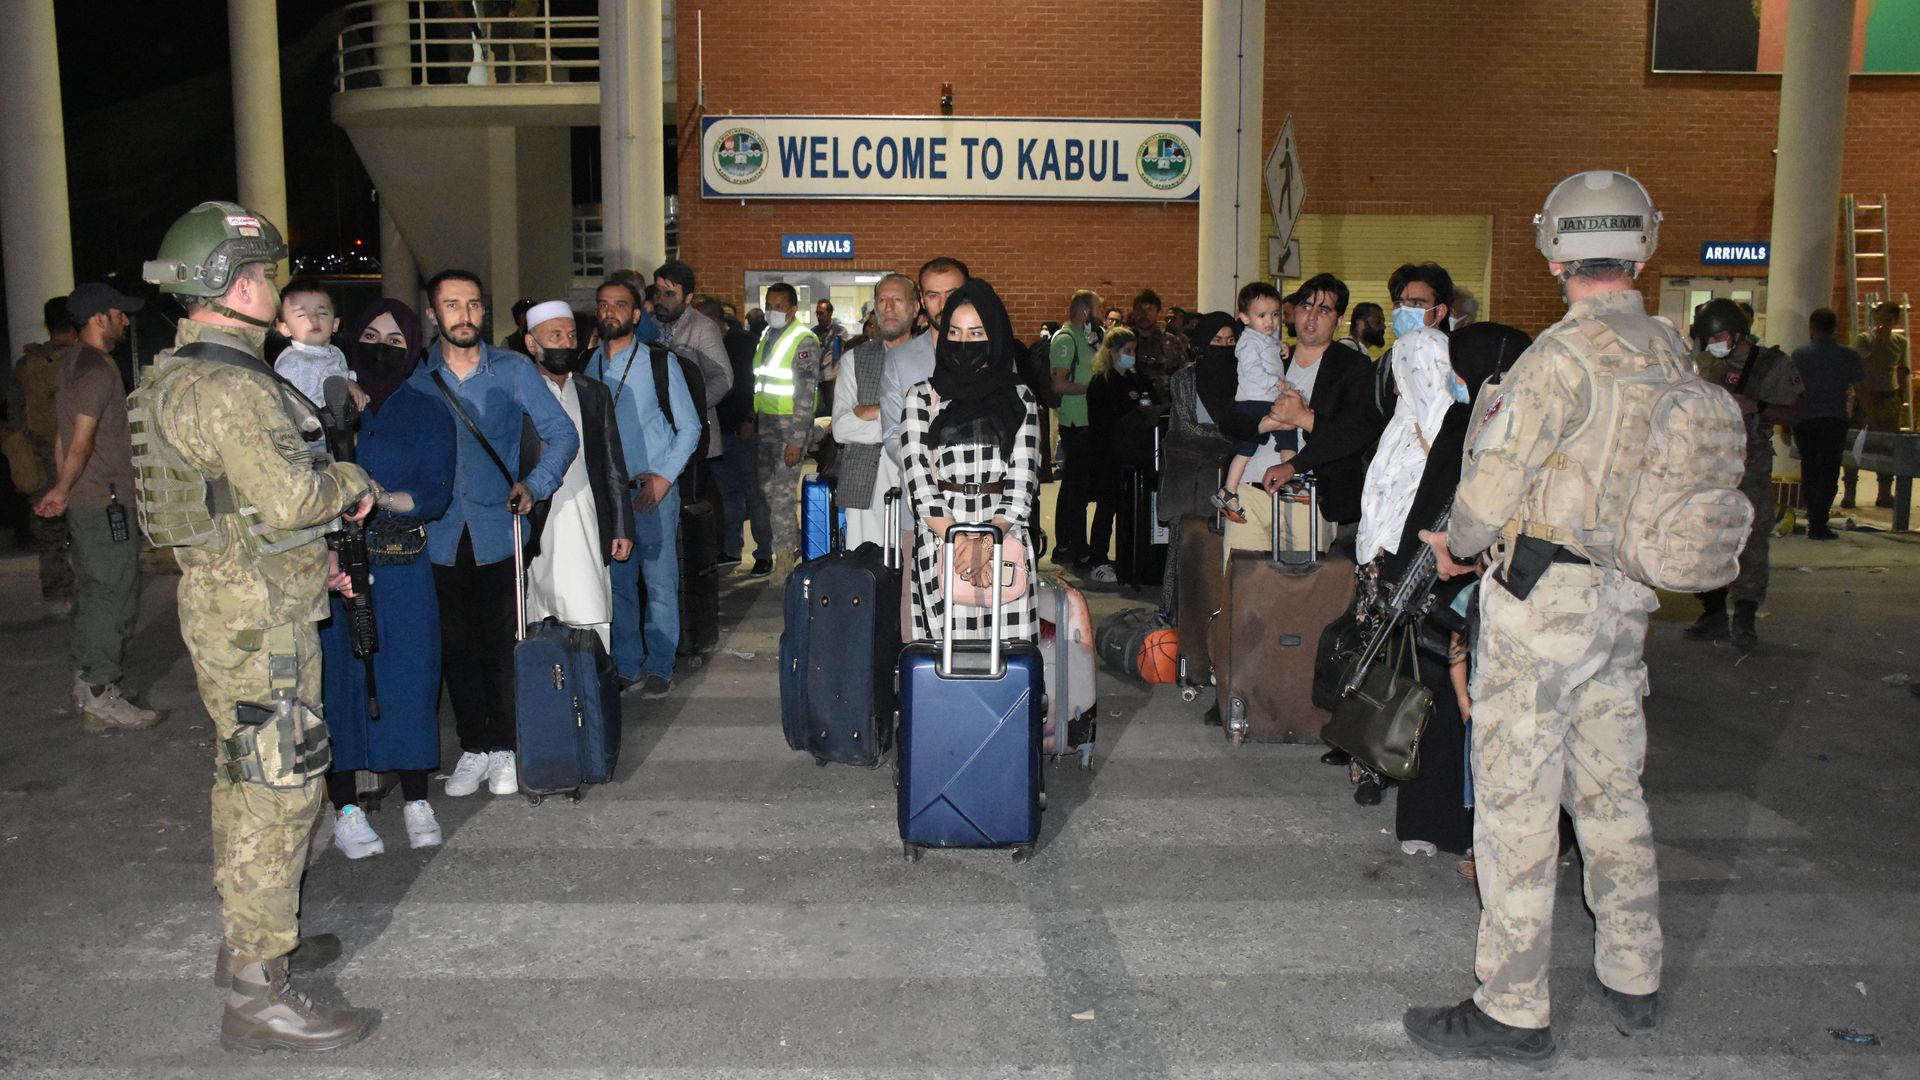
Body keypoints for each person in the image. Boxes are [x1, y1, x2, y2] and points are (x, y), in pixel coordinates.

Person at [1406, 171, 1675, 1067]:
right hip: (1626, 599)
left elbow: (1489, 492)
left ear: (1555, 255)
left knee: (1517, 804)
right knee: (1612, 789)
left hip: (1543, 603)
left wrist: (1455, 543)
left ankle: (1514, 1008)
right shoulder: (1670, 351)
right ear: (1643, 250)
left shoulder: (1558, 359)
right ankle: (1633, 973)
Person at [134, 202, 376, 1050]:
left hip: (236, 601)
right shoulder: (233, 387)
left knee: (245, 776)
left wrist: (311, 563)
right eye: (266, 274)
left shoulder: (178, 373)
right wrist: (352, 481)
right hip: (259, 622)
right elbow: (293, 496)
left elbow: (237, 510)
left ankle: (249, 941)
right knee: (281, 787)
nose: (275, 287)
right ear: (235, 285)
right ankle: (258, 991)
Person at [411, 269, 579, 796]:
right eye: (452, 305)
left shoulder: (513, 369)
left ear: (484, 311)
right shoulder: (417, 376)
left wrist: (535, 485)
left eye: (474, 304)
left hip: (498, 530)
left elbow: (562, 434)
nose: (464, 315)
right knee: (456, 648)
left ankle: (505, 745)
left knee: (503, 643)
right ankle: (474, 746)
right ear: (433, 314)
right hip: (438, 533)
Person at [320, 299, 456, 858]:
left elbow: (435, 492)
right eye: (371, 335)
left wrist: (381, 497)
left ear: (413, 348)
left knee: (411, 677)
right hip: (334, 564)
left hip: (401, 562)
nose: (382, 347)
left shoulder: (427, 411)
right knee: (338, 684)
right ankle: (346, 809)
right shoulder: (325, 404)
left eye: (396, 340)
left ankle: (417, 798)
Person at [34, 283, 160, 731]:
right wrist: (63, 489)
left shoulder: (73, 363)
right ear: (98, 318)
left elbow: (62, 437)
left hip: (90, 500)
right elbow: (81, 442)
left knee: (94, 594)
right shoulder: (98, 371)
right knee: (112, 596)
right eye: (118, 312)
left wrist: (64, 488)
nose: (125, 320)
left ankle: (87, 683)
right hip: (106, 502)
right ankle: (100, 692)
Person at [901, 279, 1043, 641]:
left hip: (1004, 537)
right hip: (941, 540)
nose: (964, 342)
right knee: (944, 658)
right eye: (955, 332)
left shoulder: (1020, 398)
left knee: (1007, 656)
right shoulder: (922, 397)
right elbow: (919, 484)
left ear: (994, 336)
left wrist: (986, 543)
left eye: (977, 333)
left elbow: (1023, 482)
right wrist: (959, 542)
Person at [585, 277, 700, 695]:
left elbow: (690, 428)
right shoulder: (587, 365)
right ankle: (627, 663)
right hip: (610, 495)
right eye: (603, 304)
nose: (609, 311)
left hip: (652, 491)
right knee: (618, 585)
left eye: (619, 305)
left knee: (659, 583)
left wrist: (664, 478)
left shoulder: (659, 363)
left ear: (636, 315)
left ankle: (660, 664)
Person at [1685, 297, 1801, 650]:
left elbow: (1796, 414)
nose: (1713, 345)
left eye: (1719, 338)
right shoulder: (1704, 363)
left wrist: (1757, 406)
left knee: (1751, 537)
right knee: (1706, 536)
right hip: (1707, 462)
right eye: (1709, 339)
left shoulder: (1772, 365)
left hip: (1750, 460)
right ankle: (1713, 611)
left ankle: (1746, 615)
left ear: (1739, 334)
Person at [521, 300, 634, 648]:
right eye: (555, 336)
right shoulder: (517, 393)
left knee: (590, 612)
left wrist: (621, 526)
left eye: (571, 336)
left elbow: (613, 465)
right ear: (531, 344)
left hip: (586, 517)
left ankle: (590, 678)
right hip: (535, 521)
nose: (566, 343)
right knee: (537, 618)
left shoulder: (593, 393)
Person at [1252, 274, 1385, 547]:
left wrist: (1303, 418)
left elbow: (1356, 433)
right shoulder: (1269, 357)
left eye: (1324, 310)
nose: (1311, 316)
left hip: (1310, 494)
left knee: (1299, 571)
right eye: (1305, 306)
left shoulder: (1354, 366)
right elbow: (1234, 417)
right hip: (1250, 485)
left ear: (1339, 321)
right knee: (1237, 570)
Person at [833, 273, 926, 549]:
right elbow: (841, 428)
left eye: (897, 300)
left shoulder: (930, 357)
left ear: (915, 307)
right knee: (865, 564)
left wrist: (873, 412)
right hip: (865, 484)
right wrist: (903, 417)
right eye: (882, 300)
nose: (888, 308)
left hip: (921, 481)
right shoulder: (854, 359)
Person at [7, 296, 80, 615]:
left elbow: (15, 416)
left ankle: (57, 596)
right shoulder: (81, 360)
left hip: (40, 457)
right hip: (79, 454)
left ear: (47, 325)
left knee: (49, 532)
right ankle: (92, 591)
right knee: (87, 526)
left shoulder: (26, 366)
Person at [750, 282, 824, 574]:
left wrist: (796, 440)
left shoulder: (803, 340)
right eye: (769, 306)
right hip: (767, 424)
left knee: (781, 496)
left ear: (793, 309)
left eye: (779, 306)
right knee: (768, 491)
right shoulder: (767, 335)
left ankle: (783, 558)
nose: (773, 311)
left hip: (790, 426)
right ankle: (793, 544)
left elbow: (805, 394)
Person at [882, 256, 967, 476]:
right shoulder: (899, 360)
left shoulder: (994, 355)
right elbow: (893, 434)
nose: (943, 305)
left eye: (952, 294)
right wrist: (932, 476)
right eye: (933, 295)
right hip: (920, 487)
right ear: (921, 299)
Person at [702, 294, 769, 568]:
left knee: (755, 494)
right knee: (729, 495)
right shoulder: (705, 345)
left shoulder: (743, 343)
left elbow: (757, 384)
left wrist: (751, 418)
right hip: (717, 432)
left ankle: (764, 553)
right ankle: (732, 550)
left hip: (744, 430)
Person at [1213, 282, 1288, 523]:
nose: (1270, 321)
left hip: (1267, 399)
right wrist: (1275, 382)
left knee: (1286, 432)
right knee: (1247, 449)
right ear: (1245, 317)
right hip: (1254, 402)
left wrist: (1281, 346)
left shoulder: (1266, 339)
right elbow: (1252, 370)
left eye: (1275, 314)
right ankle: (1228, 490)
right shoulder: (1247, 342)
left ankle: (1290, 475)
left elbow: (1270, 350)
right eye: (1262, 315)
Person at [1791, 308, 1865, 540]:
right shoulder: (1848, 355)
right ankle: (1819, 521)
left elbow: (1792, 390)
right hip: (1834, 420)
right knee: (1828, 471)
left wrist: (1786, 419)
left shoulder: (1800, 355)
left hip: (1805, 420)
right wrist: (1869, 415)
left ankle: (1813, 516)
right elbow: (1861, 389)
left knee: (1810, 469)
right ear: (1835, 327)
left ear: (1812, 326)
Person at [1084, 326, 1150, 584]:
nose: (1131, 356)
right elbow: (1104, 419)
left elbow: (1149, 402)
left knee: (1127, 508)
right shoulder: (1101, 382)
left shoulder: (1135, 380)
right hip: (1106, 454)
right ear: (1112, 352)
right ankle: (1098, 560)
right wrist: (1128, 402)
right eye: (1127, 351)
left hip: (1131, 454)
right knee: (1106, 508)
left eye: (1134, 351)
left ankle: (1126, 558)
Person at [653, 259, 732, 466]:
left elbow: (723, 378)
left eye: (670, 294)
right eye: (657, 292)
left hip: (694, 440)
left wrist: (688, 409)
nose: (661, 300)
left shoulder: (702, 328)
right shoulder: (652, 326)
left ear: (688, 298)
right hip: (658, 437)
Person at [1049, 289, 1101, 564]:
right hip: (1074, 422)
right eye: (1098, 308)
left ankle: (1075, 544)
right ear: (1085, 311)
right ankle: (1070, 545)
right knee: (1074, 488)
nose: (1101, 314)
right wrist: (1092, 390)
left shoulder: (1086, 338)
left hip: (1086, 420)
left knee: (1077, 487)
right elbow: (1059, 384)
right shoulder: (1066, 339)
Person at [1846, 300, 1910, 508]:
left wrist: (1902, 395)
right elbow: (1859, 363)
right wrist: (1878, 343)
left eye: (1888, 320)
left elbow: (1902, 369)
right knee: (1856, 442)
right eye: (1880, 320)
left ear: (1895, 321)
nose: (1883, 324)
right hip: (1866, 394)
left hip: (1888, 396)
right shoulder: (1864, 339)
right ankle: (1850, 492)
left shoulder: (1900, 342)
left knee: (1887, 445)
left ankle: (1884, 491)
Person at [271, 279, 348, 409]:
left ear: (335, 324)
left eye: (322, 313)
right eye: (302, 315)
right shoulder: (292, 363)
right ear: (285, 328)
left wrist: (350, 384)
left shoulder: (336, 353)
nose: (314, 319)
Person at [1128, 288, 1185, 403]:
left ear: (1158, 312)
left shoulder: (1170, 341)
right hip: (1130, 404)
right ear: (1133, 312)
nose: (1144, 314)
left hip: (1163, 405)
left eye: (1149, 310)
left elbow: (1182, 375)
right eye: (1140, 309)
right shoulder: (1124, 340)